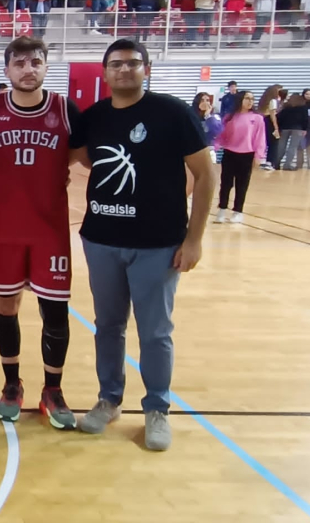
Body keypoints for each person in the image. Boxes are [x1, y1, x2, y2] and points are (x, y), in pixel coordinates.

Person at [71, 39, 216, 451]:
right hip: (102, 242)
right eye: (115, 64)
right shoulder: (94, 117)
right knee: (108, 326)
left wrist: (194, 240)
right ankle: (109, 399)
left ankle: (157, 409)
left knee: (155, 332)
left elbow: (207, 176)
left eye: (133, 63)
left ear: (146, 68)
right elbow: (83, 158)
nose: (124, 70)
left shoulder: (172, 113)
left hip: (158, 245)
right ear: (104, 72)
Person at [0, 36, 82, 429]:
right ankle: (11, 385)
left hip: (50, 230)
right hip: (3, 229)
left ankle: (52, 390)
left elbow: (91, 157)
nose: (28, 69)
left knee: (54, 309)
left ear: (45, 67)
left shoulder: (65, 108)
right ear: (7, 71)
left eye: (35, 62)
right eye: (19, 63)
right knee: (6, 307)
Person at [212, 91, 265, 224]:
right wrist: (215, 145)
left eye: (252, 99)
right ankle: (222, 209)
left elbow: (260, 138)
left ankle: (238, 211)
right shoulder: (230, 117)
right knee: (226, 183)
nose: (250, 101)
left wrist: (259, 156)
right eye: (247, 98)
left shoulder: (257, 118)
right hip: (230, 153)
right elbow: (222, 135)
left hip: (247, 155)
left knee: (242, 185)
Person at [276, 93, 310, 170]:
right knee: (293, 147)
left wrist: (279, 127)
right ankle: (287, 165)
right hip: (297, 128)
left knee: (281, 146)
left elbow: (279, 117)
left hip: (285, 128)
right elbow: (305, 119)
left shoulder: (286, 107)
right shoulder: (303, 107)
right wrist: (305, 129)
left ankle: (276, 163)